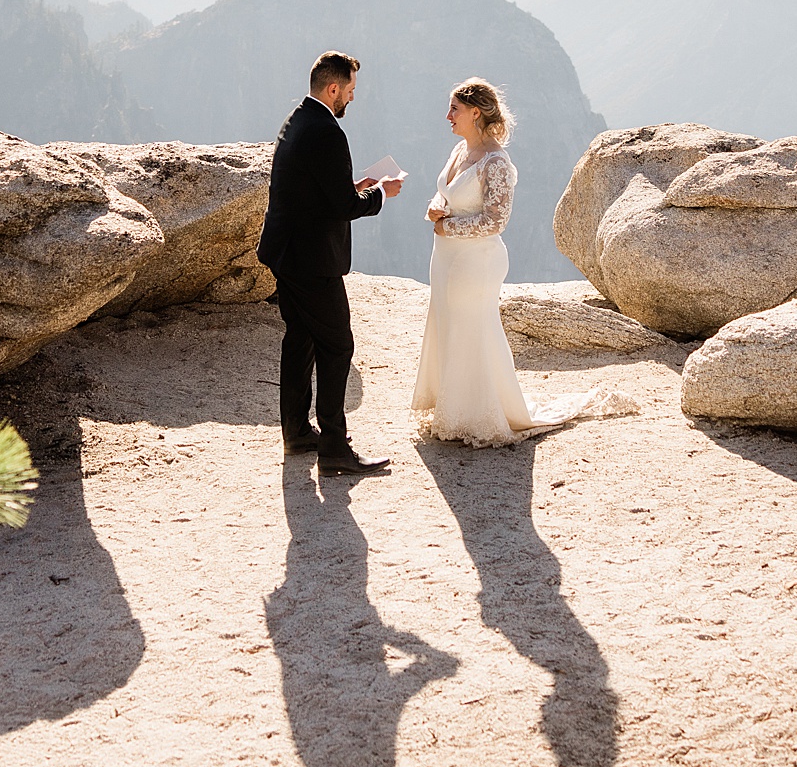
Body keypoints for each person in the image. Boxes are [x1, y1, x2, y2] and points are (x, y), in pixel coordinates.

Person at [411, 78, 637, 446]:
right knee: (449, 325)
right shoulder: (459, 151)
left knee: (474, 329)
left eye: (454, 109)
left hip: (477, 260)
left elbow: (496, 220)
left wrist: (447, 226)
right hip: (446, 256)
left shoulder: (496, 162)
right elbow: (445, 193)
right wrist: (434, 208)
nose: (447, 115)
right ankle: (453, 410)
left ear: (475, 112)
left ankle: (479, 416)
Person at [258, 50, 404, 477]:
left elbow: (318, 187)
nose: (352, 100)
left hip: (287, 252)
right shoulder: (327, 131)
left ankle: (297, 432)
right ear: (334, 87)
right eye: (351, 91)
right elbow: (342, 206)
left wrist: (353, 183)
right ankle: (335, 448)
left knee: (300, 338)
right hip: (312, 260)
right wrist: (381, 193)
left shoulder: (299, 119)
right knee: (338, 345)